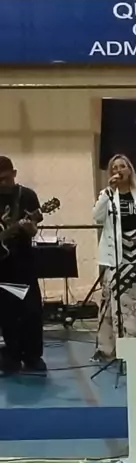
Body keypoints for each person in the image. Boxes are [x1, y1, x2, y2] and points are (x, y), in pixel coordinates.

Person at [92, 154, 136, 361]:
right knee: (116, 305)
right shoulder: (108, 195)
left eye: (122, 166)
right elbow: (97, 217)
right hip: (116, 258)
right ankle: (114, 348)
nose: (118, 170)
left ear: (130, 170)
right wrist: (108, 192)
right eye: (114, 167)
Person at [0, 156, 46, 374]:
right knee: (7, 312)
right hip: (3, 265)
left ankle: (33, 356)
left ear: (14, 174)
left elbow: (34, 229)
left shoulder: (26, 196)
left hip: (24, 261)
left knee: (31, 310)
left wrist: (29, 228)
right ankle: (12, 355)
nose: (3, 183)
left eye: (6, 178)